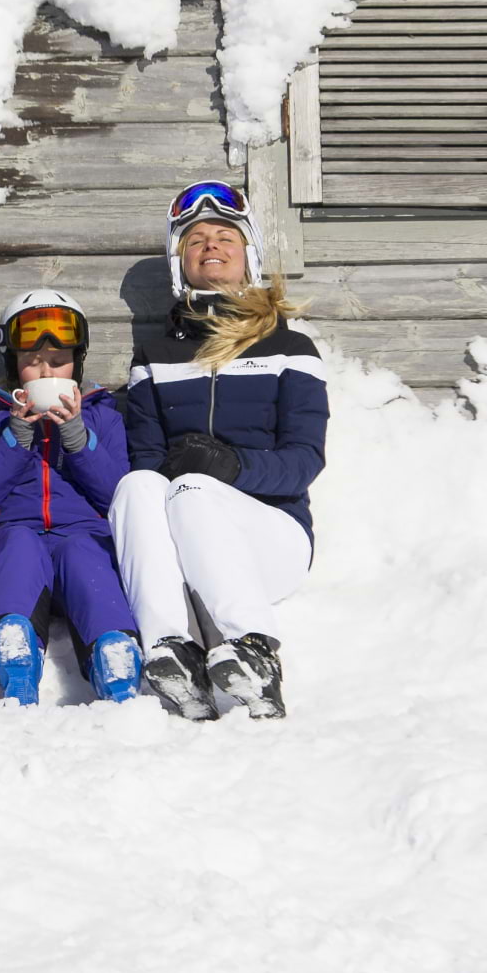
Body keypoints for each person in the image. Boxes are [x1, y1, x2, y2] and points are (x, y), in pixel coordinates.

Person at [115, 181, 328, 720]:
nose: (211, 245)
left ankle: (255, 651)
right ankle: (172, 648)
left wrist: (229, 467)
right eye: (195, 240)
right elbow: (145, 460)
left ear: (247, 252)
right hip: (187, 542)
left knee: (192, 488)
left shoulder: (289, 348)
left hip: (270, 540)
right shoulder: (155, 356)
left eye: (224, 236)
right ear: (179, 261)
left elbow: (305, 459)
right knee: (137, 485)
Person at [0, 289, 142, 704]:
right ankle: (15, 657)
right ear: (13, 366)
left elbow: (117, 495)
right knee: (17, 548)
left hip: (83, 535)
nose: (44, 374)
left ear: (76, 364)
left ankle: (114, 659)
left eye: (57, 363)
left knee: (86, 557)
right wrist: (15, 437)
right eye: (32, 364)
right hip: (13, 537)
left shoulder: (103, 417)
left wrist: (78, 437)